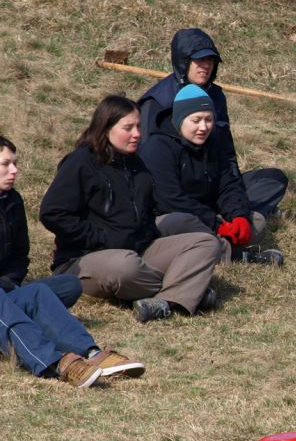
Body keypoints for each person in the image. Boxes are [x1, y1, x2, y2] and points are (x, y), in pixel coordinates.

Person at [39, 95, 222, 323]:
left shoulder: (137, 164)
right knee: (125, 266)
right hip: (86, 258)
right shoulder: (81, 162)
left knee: (206, 242)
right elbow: (52, 213)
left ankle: (167, 300)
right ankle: (189, 289)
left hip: (138, 251)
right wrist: (101, 238)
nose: (137, 133)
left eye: (138, 126)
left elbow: (149, 213)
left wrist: (147, 235)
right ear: (106, 128)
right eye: (128, 127)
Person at [0, 136, 144, 385]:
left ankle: (91, 353)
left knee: (40, 293)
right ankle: (55, 362)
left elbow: (20, 255)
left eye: (15, 163)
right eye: (5, 164)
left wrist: (9, 283)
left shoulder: (12, 201)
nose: (14, 170)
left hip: (6, 288)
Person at [138, 28, 288, 218]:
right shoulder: (157, 101)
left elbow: (227, 154)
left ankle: (234, 213)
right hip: (177, 191)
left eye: (210, 61)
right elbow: (148, 164)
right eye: (199, 60)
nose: (205, 66)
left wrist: (235, 200)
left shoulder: (216, 96)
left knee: (273, 180)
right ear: (183, 62)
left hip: (211, 182)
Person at [139, 85, 284, 266]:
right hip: (167, 218)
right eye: (196, 120)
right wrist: (216, 225)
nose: (203, 127)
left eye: (209, 119)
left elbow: (228, 183)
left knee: (257, 221)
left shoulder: (212, 142)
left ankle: (216, 247)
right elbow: (169, 199)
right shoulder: (157, 147)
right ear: (179, 119)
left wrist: (238, 215)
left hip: (206, 215)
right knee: (183, 221)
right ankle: (237, 255)